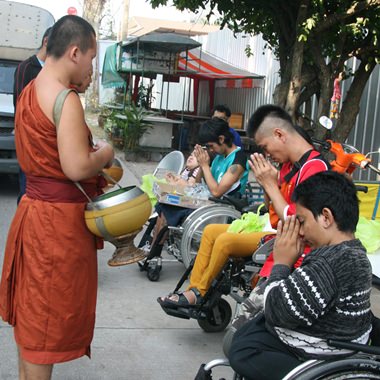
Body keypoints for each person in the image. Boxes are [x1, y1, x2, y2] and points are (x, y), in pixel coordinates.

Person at [0, 15, 114, 380]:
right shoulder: (65, 99)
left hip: (34, 212)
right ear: (75, 52)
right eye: (93, 59)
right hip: (56, 227)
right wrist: (106, 153)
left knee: (32, 317)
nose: (92, 70)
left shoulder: (31, 89)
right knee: (44, 325)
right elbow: (77, 167)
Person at [158, 104, 329, 307]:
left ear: (279, 134)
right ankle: (194, 289)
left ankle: (199, 293)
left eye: (265, 147)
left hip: (289, 241)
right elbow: (272, 208)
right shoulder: (288, 166)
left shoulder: (314, 168)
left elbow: (296, 222)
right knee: (211, 231)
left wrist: (270, 185)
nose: (266, 154)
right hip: (276, 229)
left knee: (225, 241)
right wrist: (268, 185)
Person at [228, 171, 372, 380]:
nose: (300, 232)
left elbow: (278, 312)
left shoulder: (330, 263)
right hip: (335, 339)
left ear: (326, 217)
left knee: (243, 351)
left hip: (322, 349)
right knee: (251, 331)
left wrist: (282, 264)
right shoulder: (353, 252)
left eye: (302, 221)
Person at [144, 118, 249, 266]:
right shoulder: (219, 156)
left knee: (169, 209)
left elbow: (217, 191)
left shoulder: (238, 160)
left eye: (211, 145)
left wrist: (205, 165)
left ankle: (154, 252)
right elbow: (199, 184)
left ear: (221, 139)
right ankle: (154, 250)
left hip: (223, 205)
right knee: (164, 205)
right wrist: (200, 166)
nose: (211, 150)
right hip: (209, 201)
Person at [13, 27, 52, 204]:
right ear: (46, 42)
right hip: (29, 140)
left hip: (48, 142)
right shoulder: (26, 67)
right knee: (26, 191)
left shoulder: (53, 71)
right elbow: (20, 105)